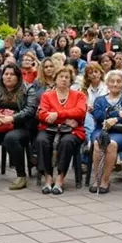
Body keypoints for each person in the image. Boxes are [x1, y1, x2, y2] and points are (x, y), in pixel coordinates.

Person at [36, 66, 86, 194]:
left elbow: (80, 112)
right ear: (55, 79)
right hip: (49, 128)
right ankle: (47, 177)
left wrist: (57, 115)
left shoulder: (79, 95)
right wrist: (65, 119)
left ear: (71, 80)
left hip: (73, 131)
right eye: (61, 77)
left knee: (67, 142)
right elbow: (42, 115)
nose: (64, 80)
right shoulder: (47, 96)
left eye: (67, 77)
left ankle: (60, 178)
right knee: (41, 140)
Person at [90, 70, 122, 193]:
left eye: (118, 81)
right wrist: (118, 113)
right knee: (97, 142)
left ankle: (105, 180)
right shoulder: (100, 100)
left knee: (111, 144)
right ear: (107, 83)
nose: (115, 84)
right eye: (112, 81)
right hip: (102, 129)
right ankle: (97, 178)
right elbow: (98, 116)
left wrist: (115, 119)